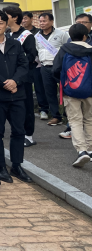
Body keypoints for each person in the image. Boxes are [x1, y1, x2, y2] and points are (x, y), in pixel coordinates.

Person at [0, 10, 32, 184]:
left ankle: (17, 165)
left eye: (0, 23)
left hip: (17, 95)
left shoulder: (15, 44)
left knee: (19, 131)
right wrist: (4, 83)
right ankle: (1, 167)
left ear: (6, 25)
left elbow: (24, 65)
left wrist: (15, 81)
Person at [52, 23, 92, 167]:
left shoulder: (64, 49)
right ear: (84, 36)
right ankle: (90, 148)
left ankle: (81, 151)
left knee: (75, 121)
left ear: (70, 36)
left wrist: (63, 82)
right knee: (89, 119)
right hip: (90, 91)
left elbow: (55, 69)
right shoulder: (90, 50)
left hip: (70, 91)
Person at [3, 6, 39, 148]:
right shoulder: (7, 35)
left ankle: (28, 134)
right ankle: (18, 131)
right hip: (8, 78)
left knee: (27, 106)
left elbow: (31, 56)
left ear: (14, 17)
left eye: (6, 16)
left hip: (23, 78)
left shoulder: (27, 35)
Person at [36, 13, 69, 126]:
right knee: (49, 93)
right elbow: (37, 51)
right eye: (40, 21)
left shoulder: (61, 34)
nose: (42, 23)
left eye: (44, 21)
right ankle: (56, 116)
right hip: (45, 67)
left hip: (60, 68)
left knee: (65, 92)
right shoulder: (37, 36)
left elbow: (68, 48)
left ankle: (68, 116)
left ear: (51, 21)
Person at [22, 10, 50, 121]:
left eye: (25, 18)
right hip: (24, 65)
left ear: (31, 19)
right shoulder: (20, 33)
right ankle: (26, 110)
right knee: (25, 88)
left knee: (39, 87)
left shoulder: (38, 32)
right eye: (22, 18)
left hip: (37, 64)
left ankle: (43, 109)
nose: (23, 21)